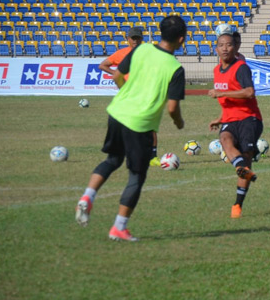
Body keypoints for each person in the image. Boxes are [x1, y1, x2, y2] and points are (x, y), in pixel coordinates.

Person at [75, 15, 188, 241]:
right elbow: (172, 108)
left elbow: (117, 76)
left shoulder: (141, 50)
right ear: (182, 40)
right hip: (140, 122)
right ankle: (119, 227)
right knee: (136, 175)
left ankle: (87, 196)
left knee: (112, 160)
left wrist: (127, 93)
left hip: (117, 112)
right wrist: (179, 122)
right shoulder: (176, 68)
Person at [208, 32, 263, 219]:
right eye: (221, 45)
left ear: (235, 48)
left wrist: (221, 94)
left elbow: (249, 92)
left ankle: (237, 204)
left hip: (249, 118)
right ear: (216, 49)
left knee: (246, 158)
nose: (225, 48)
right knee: (225, 138)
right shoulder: (216, 71)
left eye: (229, 45)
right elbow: (228, 103)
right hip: (230, 119)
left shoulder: (241, 68)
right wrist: (219, 118)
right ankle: (242, 168)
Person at [99, 27, 161, 167]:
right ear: (128, 39)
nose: (135, 41)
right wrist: (116, 74)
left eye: (138, 38)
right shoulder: (121, 54)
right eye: (133, 38)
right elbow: (103, 65)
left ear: (142, 39)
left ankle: (153, 156)